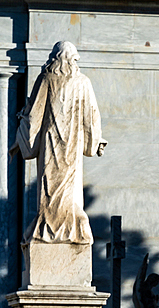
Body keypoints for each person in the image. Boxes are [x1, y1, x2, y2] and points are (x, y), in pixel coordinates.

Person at [10, 41, 106, 244]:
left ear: (55, 58)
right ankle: (69, 228)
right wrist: (96, 140)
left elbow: (33, 115)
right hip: (70, 148)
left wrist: (22, 133)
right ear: (72, 60)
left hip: (50, 147)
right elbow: (92, 118)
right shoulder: (82, 82)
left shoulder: (46, 78)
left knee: (50, 189)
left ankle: (51, 227)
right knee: (65, 192)